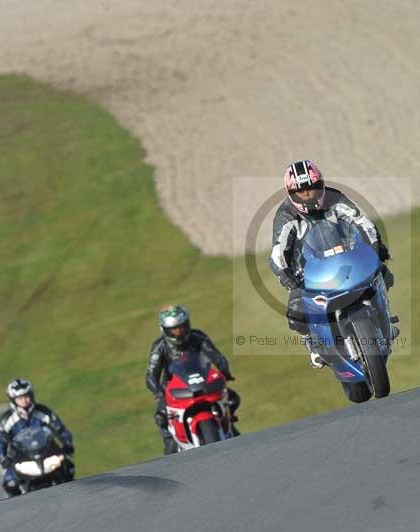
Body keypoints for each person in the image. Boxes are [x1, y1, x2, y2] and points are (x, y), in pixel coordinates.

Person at [268, 160, 395, 368]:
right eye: (302, 192)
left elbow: (362, 222)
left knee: (384, 273)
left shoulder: (336, 198)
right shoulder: (285, 215)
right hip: (309, 273)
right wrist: (285, 274)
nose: (309, 196)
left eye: (313, 189)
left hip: (348, 259)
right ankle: (314, 345)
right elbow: (277, 251)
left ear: (322, 185)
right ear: (291, 193)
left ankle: (385, 319)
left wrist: (375, 246)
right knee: (296, 313)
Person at [146, 304, 240, 454]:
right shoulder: (160, 346)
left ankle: (230, 426)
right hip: (174, 388)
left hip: (202, 381)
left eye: (183, 326)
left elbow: (216, 356)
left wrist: (225, 372)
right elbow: (151, 375)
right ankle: (170, 446)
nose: (180, 331)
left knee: (233, 399)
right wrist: (159, 392)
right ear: (165, 330)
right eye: (175, 329)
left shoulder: (198, 337)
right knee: (160, 417)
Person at [0, 379, 75, 497]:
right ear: (13, 401)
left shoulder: (44, 412)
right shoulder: (6, 420)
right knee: (10, 484)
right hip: (20, 458)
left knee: (69, 468)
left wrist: (67, 444)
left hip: (48, 452)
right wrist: (1, 458)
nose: (24, 401)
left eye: (27, 396)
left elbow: (60, 429)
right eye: (20, 398)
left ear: (32, 395)